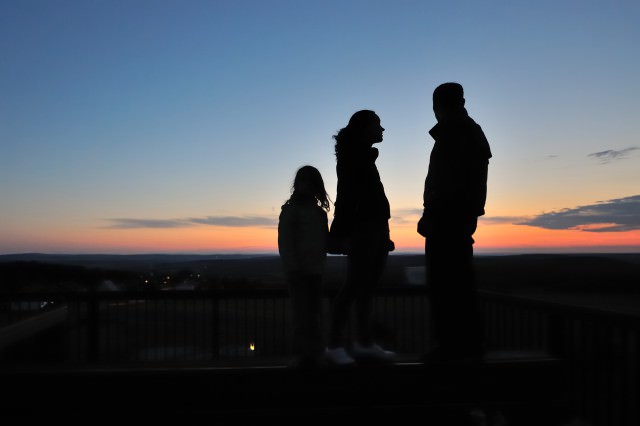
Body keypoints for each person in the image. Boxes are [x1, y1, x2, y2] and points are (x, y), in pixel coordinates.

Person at [417, 82, 492, 364]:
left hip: (447, 221)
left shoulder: (455, 132)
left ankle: (452, 346)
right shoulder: (467, 130)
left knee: (446, 285)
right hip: (457, 219)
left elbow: (447, 183)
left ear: (439, 106)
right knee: (458, 282)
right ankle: (467, 343)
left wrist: (431, 215)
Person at [325, 110, 396, 366]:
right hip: (363, 229)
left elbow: (370, 198)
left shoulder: (363, 156)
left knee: (365, 288)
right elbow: (345, 196)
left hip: (375, 228)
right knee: (354, 286)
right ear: (365, 128)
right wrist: (339, 234)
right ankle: (334, 345)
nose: (383, 130)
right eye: (378, 124)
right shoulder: (353, 157)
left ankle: (363, 344)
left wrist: (384, 233)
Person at [278, 165, 331, 369]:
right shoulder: (291, 211)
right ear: (297, 184)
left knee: (314, 314)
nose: (307, 185)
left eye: (311, 181)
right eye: (303, 181)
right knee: (302, 316)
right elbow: (286, 243)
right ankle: (302, 357)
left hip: (316, 271)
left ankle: (314, 355)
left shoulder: (319, 214)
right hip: (298, 273)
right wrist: (292, 269)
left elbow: (325, 242)